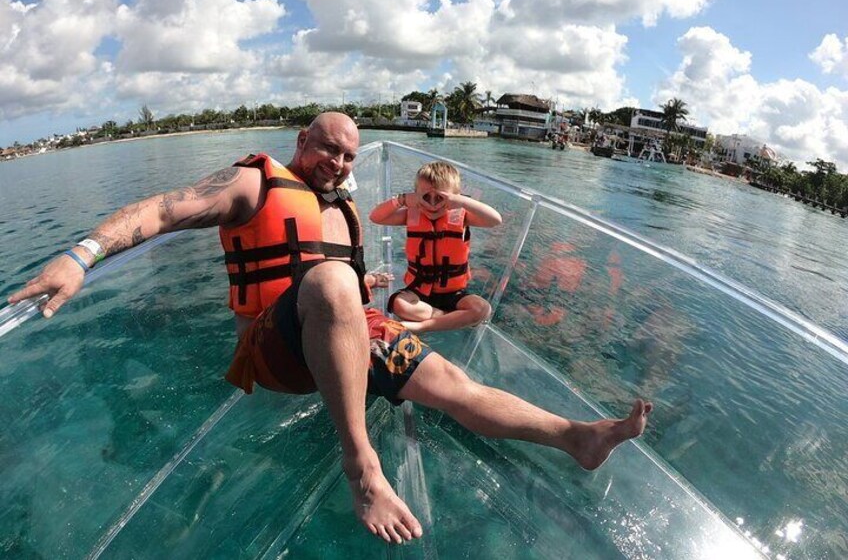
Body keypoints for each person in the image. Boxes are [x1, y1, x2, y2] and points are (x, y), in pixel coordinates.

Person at [7, 112, 652, 544]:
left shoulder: (344, 214)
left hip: (345, 326)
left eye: (348, 155)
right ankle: (362, 467)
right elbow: (163, 210)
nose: (340, 163)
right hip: (273, 353)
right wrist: (80, 256)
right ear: (301, 146)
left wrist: (364, 290)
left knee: (453, 382)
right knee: (334, 284)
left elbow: (343, 289)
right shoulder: (252, 183)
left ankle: (577, 438)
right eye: (328, 149)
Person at [369, 161, 501, 333]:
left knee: (482, 309)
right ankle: (450, 318)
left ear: (454, 198)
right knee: (398, 304)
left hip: (454, 294)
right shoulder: (411, 214)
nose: (432, 204)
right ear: (416, 196)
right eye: (425, 197)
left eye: (440, 198)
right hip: (418, 291)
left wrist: (461, 201)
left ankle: (424, 326)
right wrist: (401, 199)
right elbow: (376, 217)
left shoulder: (463, 216)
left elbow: (495, 220)